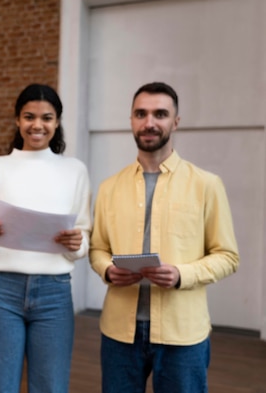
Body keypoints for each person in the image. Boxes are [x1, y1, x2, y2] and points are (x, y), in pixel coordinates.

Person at [89, 81, 240, 393]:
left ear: (176, 121)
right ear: (131, 120)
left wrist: (181, 274)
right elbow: (98, 248)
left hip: (182, 334)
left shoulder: (206, 185)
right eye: (140, 114)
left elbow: (227, 256)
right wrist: (106, 269)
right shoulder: (109, 187)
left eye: (160, 114)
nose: (149, 123)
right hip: (119, 332)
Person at [0, 84, 91, 393]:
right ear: (17, 120)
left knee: (50, 385)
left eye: (47, 118)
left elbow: (84, 231)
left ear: (57, 122)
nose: (37, 125)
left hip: (55, 292)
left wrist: (78, 244)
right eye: (29, 116)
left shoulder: (75, 171)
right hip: (1, 290)